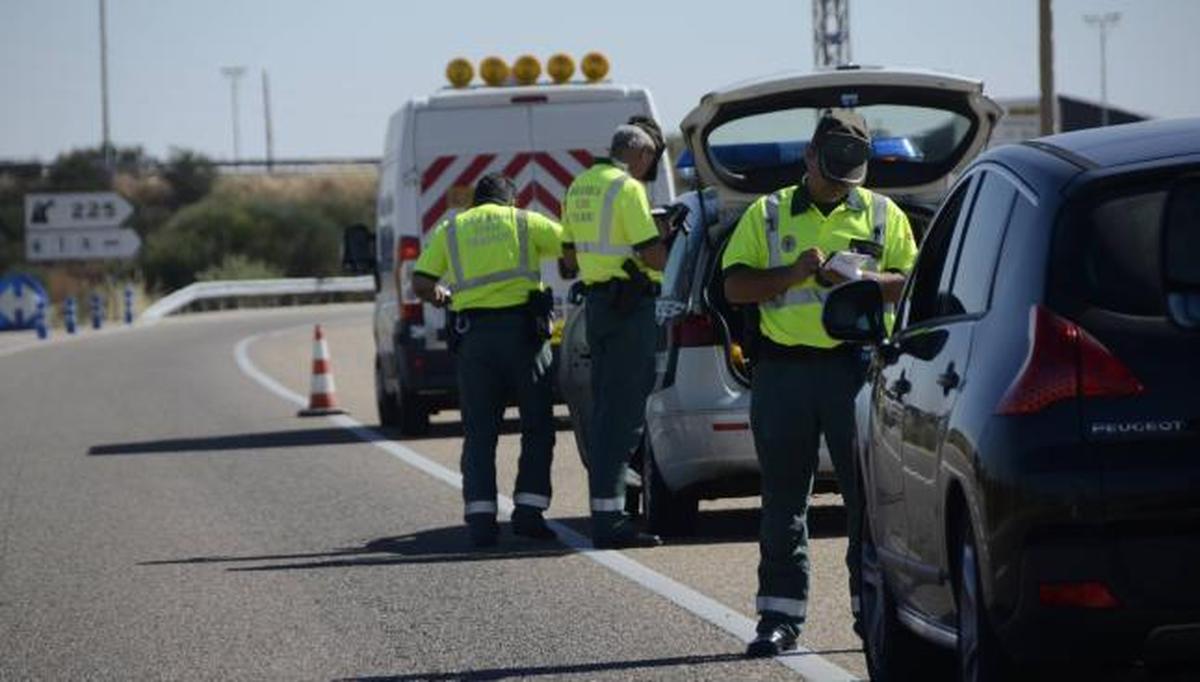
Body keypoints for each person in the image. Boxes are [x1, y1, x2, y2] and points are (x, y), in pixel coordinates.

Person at [721, 111, 918, 657]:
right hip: (783, 372)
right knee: (784, 500)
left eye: (848, 177)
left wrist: (860, 280)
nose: (839, 185)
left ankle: (871, 614)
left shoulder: (883, 214)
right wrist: (792, 273)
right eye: (831, 172)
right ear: (809, 158)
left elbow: (910, 283)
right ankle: (779, 618)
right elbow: (734, 286)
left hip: (854, 372)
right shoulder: (767, 213)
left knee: (866, 502)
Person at [412, 173, 564, 547]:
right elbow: (572, 246)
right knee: (537, 425)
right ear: (510, 201)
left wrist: (443, 297)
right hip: (524, 338)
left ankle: (480, 520)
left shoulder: (452, 229)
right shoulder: (525, 221)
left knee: (480, 433)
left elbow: (421, 281)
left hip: (475, 341)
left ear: (474, 203)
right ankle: (528, 513)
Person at [560, 124, 667, 549]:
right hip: (629, 310)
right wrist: (670, 246)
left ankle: (607, 513)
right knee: (622, 417)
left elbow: (569, 256)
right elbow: (651, 254)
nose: (649, 167)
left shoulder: (579, 185)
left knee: (607, 410)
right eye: (650, 158)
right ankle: (611, 521)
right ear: (637, 153)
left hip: (598, 309)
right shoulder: (627, 189)